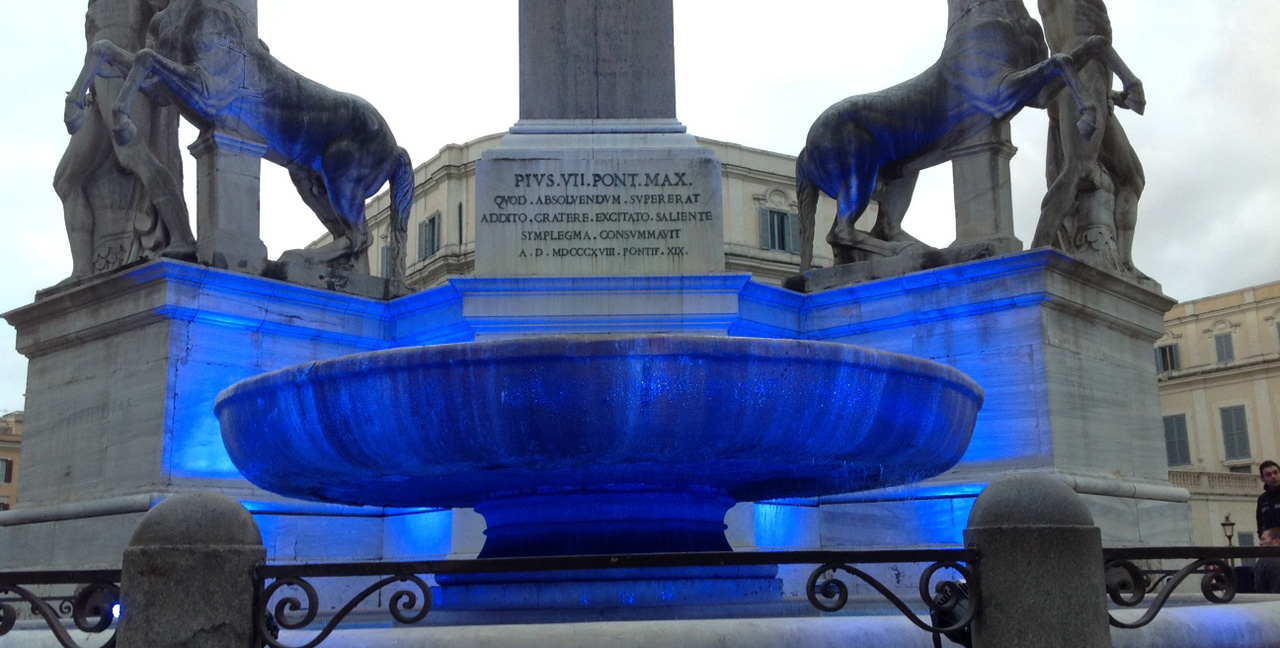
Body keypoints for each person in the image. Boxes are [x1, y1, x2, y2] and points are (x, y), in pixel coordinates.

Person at [1252, 527, 1280, 594]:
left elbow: (1259, 588)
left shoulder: (1263, 561)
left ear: (1276, 541)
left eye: (1263, 539)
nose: (1260, 543)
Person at [1257, 460, 1280, 535]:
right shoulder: (1262, 499)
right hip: (1270, 545)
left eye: (1275, 473)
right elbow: (1260, 524)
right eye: (1268, 474)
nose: (1273, 476)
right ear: (1262, 478)